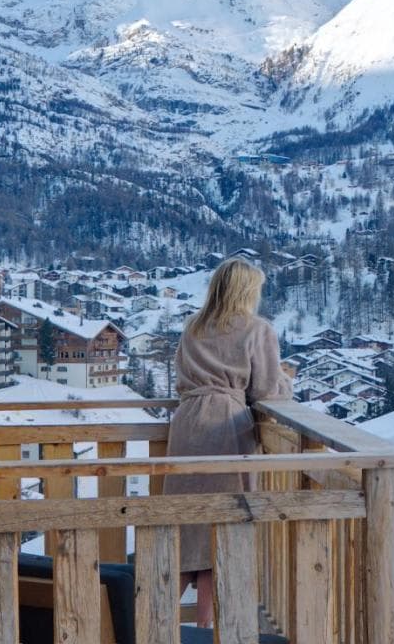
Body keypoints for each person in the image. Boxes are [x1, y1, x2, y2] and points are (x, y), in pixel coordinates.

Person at [165, 258, 292, 625]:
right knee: (221, 526)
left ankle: (149, 618)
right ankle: (205, 628)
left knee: (187, 525)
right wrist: (288, 383)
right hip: (226, 427)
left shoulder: (194, 326)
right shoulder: (257, 329)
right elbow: (267, 389)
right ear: (247, 290)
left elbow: (181, 377)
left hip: (187, 425)